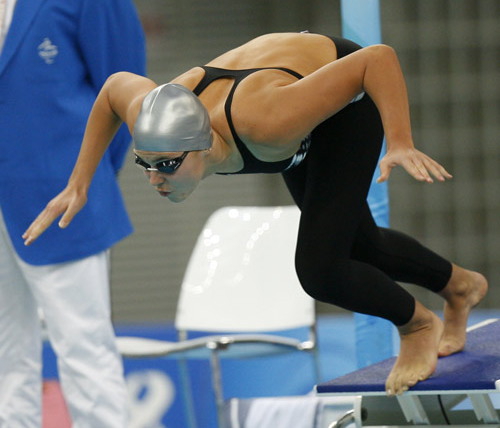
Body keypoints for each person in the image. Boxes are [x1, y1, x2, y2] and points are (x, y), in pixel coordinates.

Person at [23, 32, 487, 397]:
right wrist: (79, 182)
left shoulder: (268, 121)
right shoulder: (153, 112)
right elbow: (110, 90)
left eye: (166, 165)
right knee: (359, 244)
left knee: (320, 269)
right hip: (287, 99)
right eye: (145, 164)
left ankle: (418, 325)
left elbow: (377, 59)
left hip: (345, 91)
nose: (155, 179)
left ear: (203, 147)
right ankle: (460, 286)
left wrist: (399, 140)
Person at [0, 0, 145, 426]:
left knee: (84, 350)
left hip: (61, 197)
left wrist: (89, 177)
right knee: (5, 359)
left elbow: (126, 90)